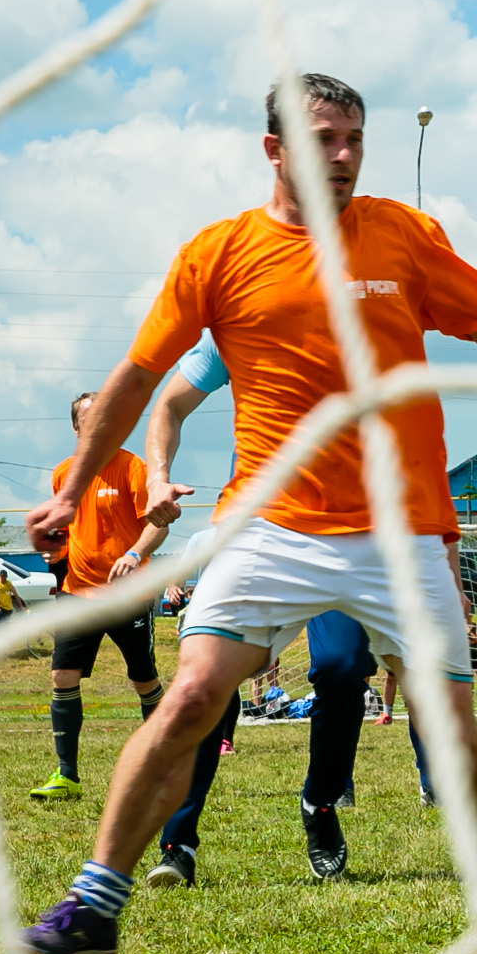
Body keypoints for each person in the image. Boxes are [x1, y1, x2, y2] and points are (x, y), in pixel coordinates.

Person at [18, 73, 477, 954]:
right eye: (323, 140)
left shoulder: (404, 237)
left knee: (449, 722)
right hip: (267, 526)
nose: (343, 156)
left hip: (399, 531)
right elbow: (143, 377)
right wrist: (75, 489)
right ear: (275, 150)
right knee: (192, 693)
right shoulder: (217, 255)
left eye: (354, 138)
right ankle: (95, 901)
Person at [141, 336, 443, 882]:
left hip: (346, 536)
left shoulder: (366, 318)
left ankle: (320, 805)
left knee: (343, 669)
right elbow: (169, 403)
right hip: (258, 537)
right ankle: (177, 844)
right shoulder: (237, 321)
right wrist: (156, 474)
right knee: (208, 683)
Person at [29, 391, 176, 801]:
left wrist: (135, 553)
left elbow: (158, 524)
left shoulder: (132, 468)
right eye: (90, 419)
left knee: (143, 680)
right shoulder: (63, 474)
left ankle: (162, 763)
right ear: (77, 428)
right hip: (77, 592)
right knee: (62, 676)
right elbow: (66, 529)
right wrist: (54, 550)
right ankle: (67, 776)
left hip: (128, 595)